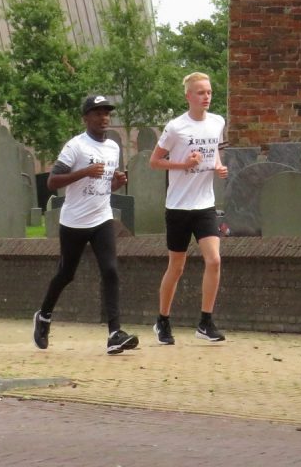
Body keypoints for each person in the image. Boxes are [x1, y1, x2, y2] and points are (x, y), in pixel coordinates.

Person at [33, 95, 139, 355]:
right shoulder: (76, 146)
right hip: (74, 221)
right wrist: (84, 172)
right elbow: (52, 182)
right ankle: (44, 315)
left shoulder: (114, 147)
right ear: (86, 118)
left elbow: (105, 184)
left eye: (107, 113)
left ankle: (115, 333)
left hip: (102, 217)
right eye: (97, 113)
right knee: (66, 273)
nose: (104, 117)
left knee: (111, 270)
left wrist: (117, 182)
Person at [150, 72, 229, 344]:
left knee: (215, 260)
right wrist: (184, 165)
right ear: (188, 96)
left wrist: (217, 165)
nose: (206, 96)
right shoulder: (176, 127)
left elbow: (214, 150)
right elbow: (155, 162)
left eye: (208, 92)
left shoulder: (218, 122)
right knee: (177, 267)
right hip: (178, 206)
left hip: (205, 204)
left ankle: (205, 322)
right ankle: (163, 320)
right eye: (200, 92)